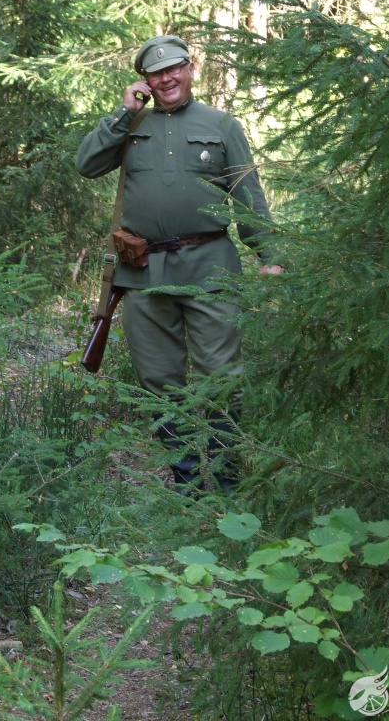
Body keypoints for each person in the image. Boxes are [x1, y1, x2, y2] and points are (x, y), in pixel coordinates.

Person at [75, 35, 282, 492]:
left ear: (190, 69)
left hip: (210, 268)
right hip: (142, 272)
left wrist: (270, 256)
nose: (166, 79)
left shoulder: (222, 125)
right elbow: (87, 165)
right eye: (156, 73)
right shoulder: (131, 124)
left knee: (222, 378)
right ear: (144, 81)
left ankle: (226, 480)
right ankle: (187, 483)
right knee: (158, 379)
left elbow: (249, 196)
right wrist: (122, 113)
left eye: (174, 69)